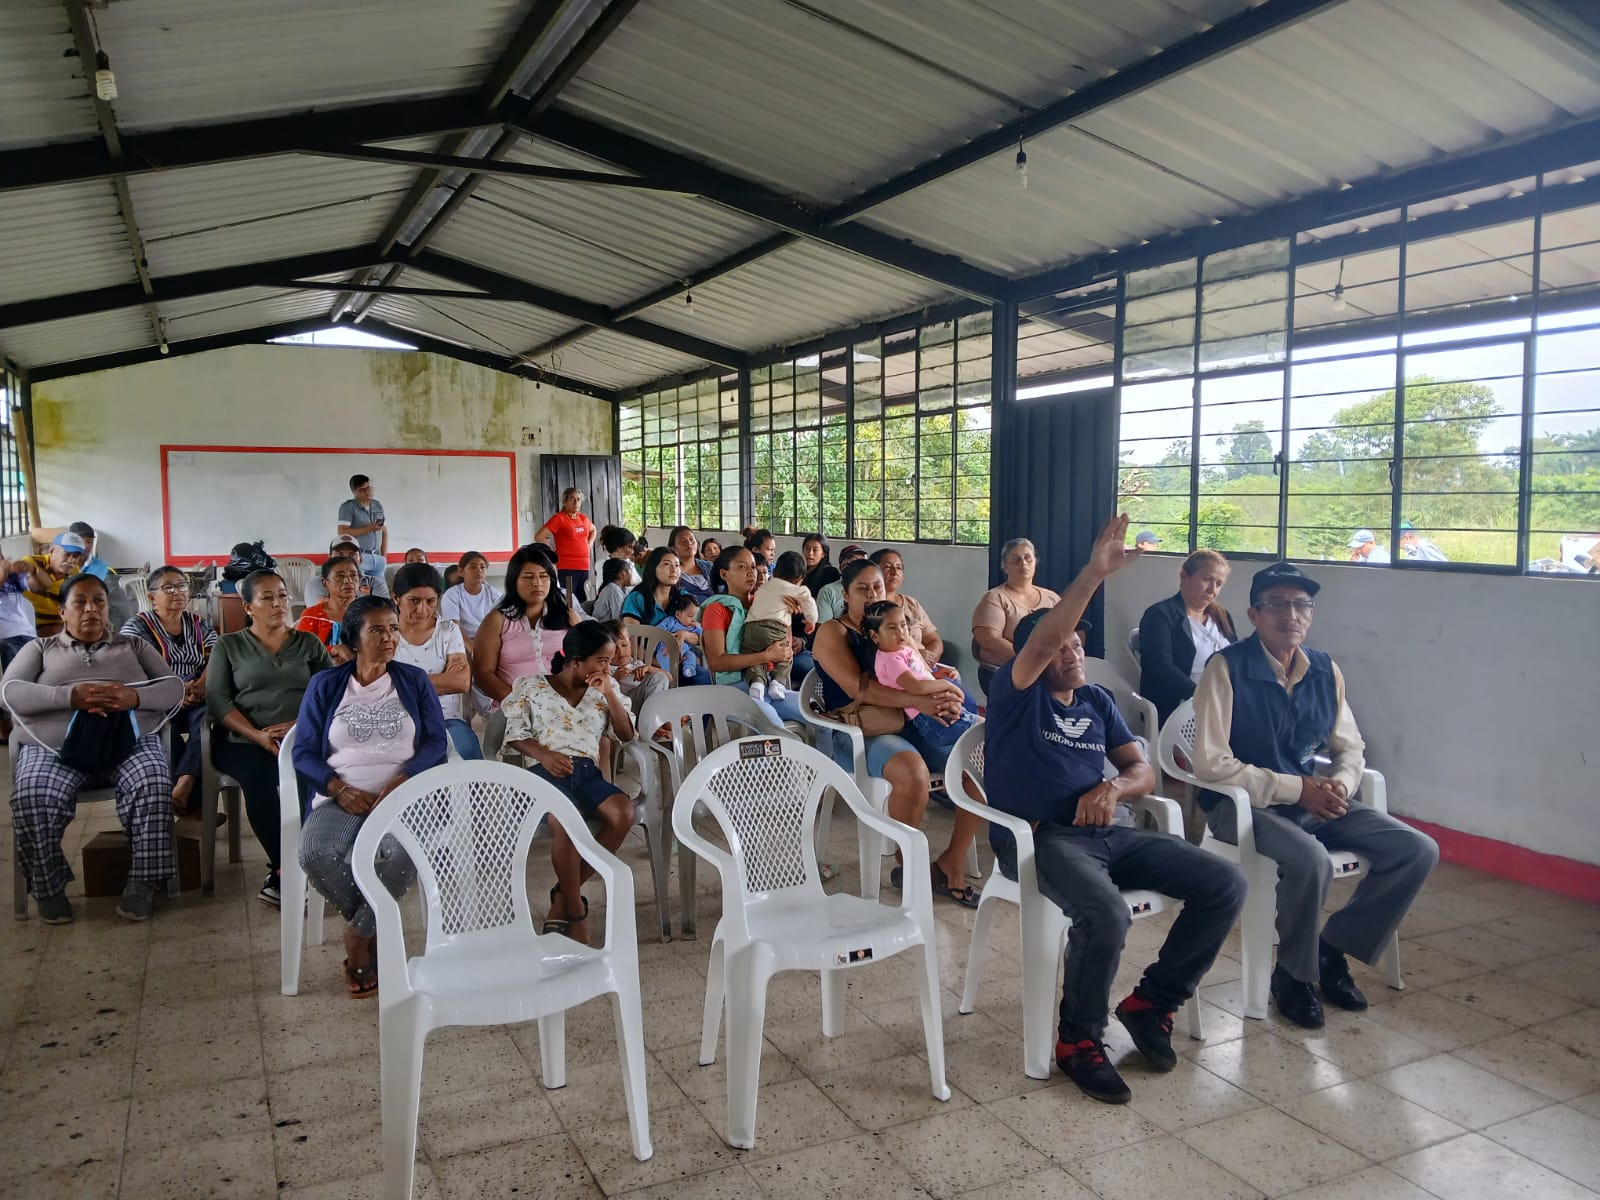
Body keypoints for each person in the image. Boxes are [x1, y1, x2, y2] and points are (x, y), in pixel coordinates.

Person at [984, 514, 1247, 1103]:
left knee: (1225, 882)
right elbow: (1044, 638)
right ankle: (1079, 1039)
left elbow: (1142, 769)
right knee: (1106, 914)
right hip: (1041, 838)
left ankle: (1152, 1003)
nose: (1073, 652)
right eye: (1061, 646)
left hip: (1107, 832)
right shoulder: (1016, 694)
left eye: (1078, 644)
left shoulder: (1097, 701)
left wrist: (1113, 790)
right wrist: (1094, 574)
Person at [1190, 561, 1439, 1029]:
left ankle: (1331, 949)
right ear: (1254, 614)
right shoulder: (1226, 668)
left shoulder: (1325, 670)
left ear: (1311, 614)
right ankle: (1293, 975)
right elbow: (1210, 763)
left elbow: (1351, 746)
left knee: (1416, 849)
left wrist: (1340, 785)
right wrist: (1296, 788)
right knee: (1310, 860)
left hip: (1312, 801)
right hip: (1241, 806)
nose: (1291, 615)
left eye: (1301, 605)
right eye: (1276, 604)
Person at [2, 573, 186, 924]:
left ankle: (142, 884)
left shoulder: (133, 646)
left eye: (99, 601)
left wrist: (133, 697)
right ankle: (48, 888)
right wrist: (69, 696)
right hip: (54, 749)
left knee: (152, 784)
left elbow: (173, 688)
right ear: (62, 611)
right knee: (32, 796)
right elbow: (9, 693)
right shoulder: (41, 648)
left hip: (129, 744)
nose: (91, 609)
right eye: (80, 602)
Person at [294, 596, 447, 998]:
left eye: (393, 628)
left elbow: (435, 743)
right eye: (376, 630)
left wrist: (403, 780)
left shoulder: (414, 680)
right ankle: (373, 924)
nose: (389, 637)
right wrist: (338, 789)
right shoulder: (326, 685)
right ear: (354, 638)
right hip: (343, 794)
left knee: (408, 851)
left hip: (405, 793)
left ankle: (358, 934)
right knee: (315, 853)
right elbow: (303, 753)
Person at [811, 556, 982, 906]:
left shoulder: (892, 625)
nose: (872, 594)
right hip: (863, 729)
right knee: (912, 771)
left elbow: (919, 669)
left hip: (910, 720)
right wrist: (920, 701)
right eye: (862, 588)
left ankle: (952, 862)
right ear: (845, 594)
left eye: (877, 587)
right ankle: (910, 866)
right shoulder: (833, 631)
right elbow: (860, 689)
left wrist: (942, 694)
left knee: (978, 760)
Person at [500, 620, 636, 946]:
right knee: (566, 821)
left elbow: (626, 734)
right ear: (576, 661)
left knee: (623, 812)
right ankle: (576, 912)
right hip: (544, 772)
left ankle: (563, 896)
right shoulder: (531, 686)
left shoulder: (605, 690)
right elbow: (515, 735)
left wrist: (609, 694)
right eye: (601, 660)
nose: (607, 666)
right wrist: (545, 756)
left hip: (586, 771)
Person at [208, 569, 333, 906]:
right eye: (267, 597)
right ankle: (284, 869)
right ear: (248, 607)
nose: (279, 603)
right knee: (260, 779)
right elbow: (218, 702)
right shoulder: (229, 645)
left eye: (281, 595)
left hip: (301, 735)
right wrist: (256, 735)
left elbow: (330, 696)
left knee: (309, 777)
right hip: (243, 739)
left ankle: (303, 864)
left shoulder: (307, 643)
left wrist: (297, 725)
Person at [121, 565, 219, 813]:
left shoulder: (197, 623)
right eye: (169, 587)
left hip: (195, 695)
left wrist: (201, 685)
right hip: (157, 698)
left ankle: (183, 787)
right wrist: (173, 692)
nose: (178, 592)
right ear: (152, 597)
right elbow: (131, 669)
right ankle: (193, 810)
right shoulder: (137, 627)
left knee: (209, 723)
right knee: (164, 732)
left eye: (182, 586)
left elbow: (217, 656)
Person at [700, 545, 804, 728]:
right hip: (735, 689)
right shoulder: (716, 609)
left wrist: (785, 615)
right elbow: (717, 662)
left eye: (753, 567)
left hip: (769, 684)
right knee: (774, 727)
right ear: (724, 574)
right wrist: (765, 656)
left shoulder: (764, 603)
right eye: (742, 567)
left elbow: (784, 645)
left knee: (820, 718)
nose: (751, 572)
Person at [391, 562, 480, 760]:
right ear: (395, 597)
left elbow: (461, 682)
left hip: (445, 718)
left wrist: (401, 682)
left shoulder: (448, 631)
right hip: (397, 719)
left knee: (467, 755)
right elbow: (377, 683)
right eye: (413, 600)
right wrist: (441, 681)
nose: (422, 609)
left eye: (430, 601)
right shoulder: (386, 634)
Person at [1137, 549, 1238, 723]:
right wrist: (1201, 695)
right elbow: (1160, 667)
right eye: (1207, 580)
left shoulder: (1222, 616)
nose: (1212, 590)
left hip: (1223, 702)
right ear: (1184, 576)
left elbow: (1237, 657)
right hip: (1183, 707)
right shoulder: (1160, 615)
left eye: (1219, 584)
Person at [471, 544, 575, 708]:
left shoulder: (566, 616)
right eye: (528, 577)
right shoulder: (497, 620)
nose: (537, 583)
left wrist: (579, 628)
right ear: (514, 581)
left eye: (544, 576)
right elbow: (483, 674)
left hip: (563, 705)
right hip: (514, 707)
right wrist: (520, 703)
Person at [866, 600, 976, 750]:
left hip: (937, 705)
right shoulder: (889, 660)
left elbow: (918, 674)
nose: (901, 632)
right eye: (892, 628)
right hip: (929, 717)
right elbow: (917, 686)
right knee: (981, 732)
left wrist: (935, 675)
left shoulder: (902, 650)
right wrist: (947, 684)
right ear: (875, 636)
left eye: (903, 625)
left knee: (981, 730)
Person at [972, 537, 1062, 689]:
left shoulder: (1052, 598)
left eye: (1028, 558)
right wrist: (1030, 661)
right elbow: (988, 639)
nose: (1023, 564)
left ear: (1035, 562)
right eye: (1016, 560)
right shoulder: (996, 597)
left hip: (1049, 669)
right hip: (1006, 672)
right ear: (1005, 566)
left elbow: (1072, 630)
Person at [740, 550, 817, 703]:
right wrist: (811, 621)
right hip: (775, 628)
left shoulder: (765, 587)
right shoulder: (798, 590)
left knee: (751, 654)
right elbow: (809, 604)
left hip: (751, 628)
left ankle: (756, 683)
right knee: (786, 655)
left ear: (774, 572)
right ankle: (777, 683)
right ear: (800, 579)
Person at [872, 548, 945, 671]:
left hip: (925, 667)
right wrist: (915, 658)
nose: (894, 572)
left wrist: (927, 662)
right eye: (887, 567)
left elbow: (935, 641)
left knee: (953, 678)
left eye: (899, 567)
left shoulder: (912, 604)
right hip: (897, 670)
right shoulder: (874, 609)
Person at [20, 531, 88, 637]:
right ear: (51, 551)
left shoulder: (75, 575)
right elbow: (34, 584)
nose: (71, 560)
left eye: (76, 556)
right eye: (67, 554)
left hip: (58, 626)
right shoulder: (32, 563)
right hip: (28, 625)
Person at [536, 487, 598, 602]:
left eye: (578, 499)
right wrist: (552, 553)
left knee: (581, 600)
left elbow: (593, 530)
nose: (576, 502)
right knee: (569, 600)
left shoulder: (583, 518)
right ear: (564, 502)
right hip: (567, 567)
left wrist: (588, 545)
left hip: (584, 566)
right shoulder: (559, 518)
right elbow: (539, 536)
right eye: (572, 499)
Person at [297, 557, 362, 665]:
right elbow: (301, 652)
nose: (348, 581)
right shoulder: (312, 615)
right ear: (325, 583)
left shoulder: (369, 614)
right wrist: (333, 650)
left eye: (353, 575)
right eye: (339, 576)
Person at [599, 620, 670, 718]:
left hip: (646, 706)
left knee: (660, 678)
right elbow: (602, 695)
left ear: (630, 642)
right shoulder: (607, 670)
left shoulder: (637, 665)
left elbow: (669, 678)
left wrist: (648, 668)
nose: (620, 651)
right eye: (614, 649)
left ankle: (654, 718)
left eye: (624, 645)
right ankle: (652, 719)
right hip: (624, 709)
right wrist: (615, 679)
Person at [337, 473, 390, 598]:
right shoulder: (348, 507)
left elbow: (384, 531)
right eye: (362, 489)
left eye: (368, 488)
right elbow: (342, 532)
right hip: (360, 557)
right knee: (361, 594)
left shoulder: (377, 505)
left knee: (381, 594)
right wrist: (368, 529)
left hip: (377, 557)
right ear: (355, 492)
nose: (367, 492)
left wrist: (383, 556)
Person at [440, 550, 503, 655]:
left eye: (482, 567)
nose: (479, 570)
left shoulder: (494, 594)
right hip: (462, 641)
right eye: (473, 567)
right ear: (461, 571)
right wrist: (473, 648)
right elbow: (454, 628)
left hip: (490, 639)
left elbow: (501, 624)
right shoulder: (451, 595)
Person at [620, 546, 683, 628]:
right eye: (666, 564)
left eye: (677, 565)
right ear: (653, 568)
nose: (673, 570)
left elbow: (696, 629)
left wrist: (685, 633)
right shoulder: (637, 598)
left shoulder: (683, 597)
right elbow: (633, 633)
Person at [657, 592, 707, 684]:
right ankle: (669, 674)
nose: (693, 620)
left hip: (685, 652)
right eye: (690, 616)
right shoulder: (671, 621)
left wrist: (699, 626)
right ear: (678, 614)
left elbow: (702, 636)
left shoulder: (693, 626)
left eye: (696, 617)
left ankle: (688, 670)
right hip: (667, 648)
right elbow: (658, 630)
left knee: (691, 656)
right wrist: (669, 636)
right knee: (664, 656)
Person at [816, 544, 866, 624]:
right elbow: (823, 627)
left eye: (862, 562)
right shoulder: (828, 591)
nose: (857, 566)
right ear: (841, 567)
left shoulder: (872, 589)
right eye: (851, 561)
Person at [668, 526, 715, 602]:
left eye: (691, 539)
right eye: (682, 541)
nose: (689, 543)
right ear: (673, 547)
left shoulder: (709, 566)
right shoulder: (671, 571)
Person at [594, 525, 641, 595]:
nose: (632, 551)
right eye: (629, 547)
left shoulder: (628, 562)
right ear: (619, 548)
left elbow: (638, 583)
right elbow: (604, 593)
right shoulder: (605, 566)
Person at [590, 558, 634, 624]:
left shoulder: (622, 588)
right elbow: (619, 620)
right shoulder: (613, 590)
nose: (632, 575)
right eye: (630, 571)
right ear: (623, 573)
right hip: (605, 628)